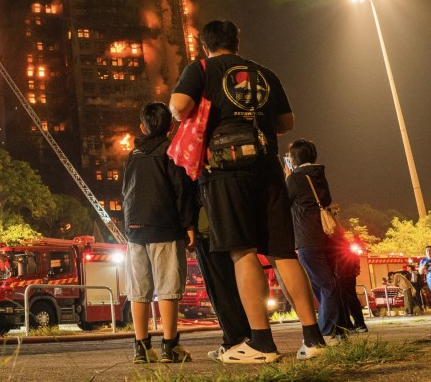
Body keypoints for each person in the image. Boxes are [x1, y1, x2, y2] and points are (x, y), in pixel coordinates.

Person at [170, 20, 327, 363]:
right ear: (237, 41)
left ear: (204, 45)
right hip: (268, 168)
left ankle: (261, 343)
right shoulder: (265, 72)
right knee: (283, 253)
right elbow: (286, 123)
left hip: (226, 172)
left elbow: (180, 107)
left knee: (243, 252)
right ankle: (313, 337)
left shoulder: (201, 68)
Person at [121, 102, 197, 363]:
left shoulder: (132, 155)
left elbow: (125, 193)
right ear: (171, 126)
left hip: (134, 230)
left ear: (142, 127)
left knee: (138, 291)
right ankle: (170, 346)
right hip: (164, 227)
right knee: (167, 288)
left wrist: (128, 226)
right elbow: (182, 191)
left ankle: (141, 348)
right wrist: (189, 225)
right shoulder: (171, 151)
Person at [284, 139, 343, 341]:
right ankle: (334, 327)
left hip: (307, 238)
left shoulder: (295, 179)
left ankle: (327, 332)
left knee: (325, 285)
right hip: (327, 235)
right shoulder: (320, 176)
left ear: (294, 158)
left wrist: (287, 177)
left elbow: (283, 203)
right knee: (325, 283)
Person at [192, 187, 252, 359]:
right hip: (236, 223)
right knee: (240, 283)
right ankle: (254, 335)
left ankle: (234, 340)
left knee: (220, 289)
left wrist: (188, 224)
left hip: (208, 229)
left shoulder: (197, 163)